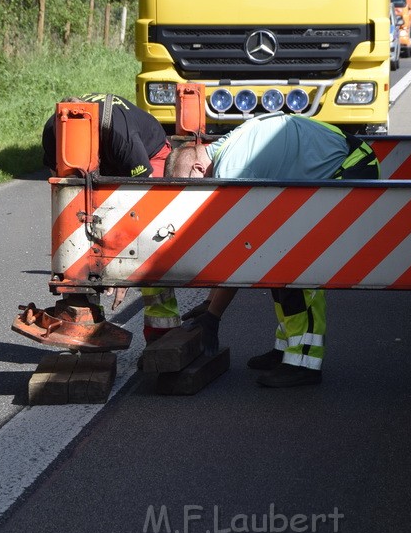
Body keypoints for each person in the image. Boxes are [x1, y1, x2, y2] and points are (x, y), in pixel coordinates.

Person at [165, 112, 380, 388]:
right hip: (335, 166)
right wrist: (209, 305)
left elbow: (243, 250)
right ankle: (287, 348)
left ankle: (304, 364)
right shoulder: (220, 149)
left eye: (191, 190)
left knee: (299, 267)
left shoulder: (233, 170)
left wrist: (214, 315)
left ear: (196, 168)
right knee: (277, 262)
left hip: (351, 169)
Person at [42, 93, 181, 344]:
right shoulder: (54, 131)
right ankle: (87, 323)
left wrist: (124, 271)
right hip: (107, 156)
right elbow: (63, 195)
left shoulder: (121, 136)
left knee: (150, 243)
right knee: (81, 227)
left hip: (149, 157)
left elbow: (143, 206)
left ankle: (162, 331)